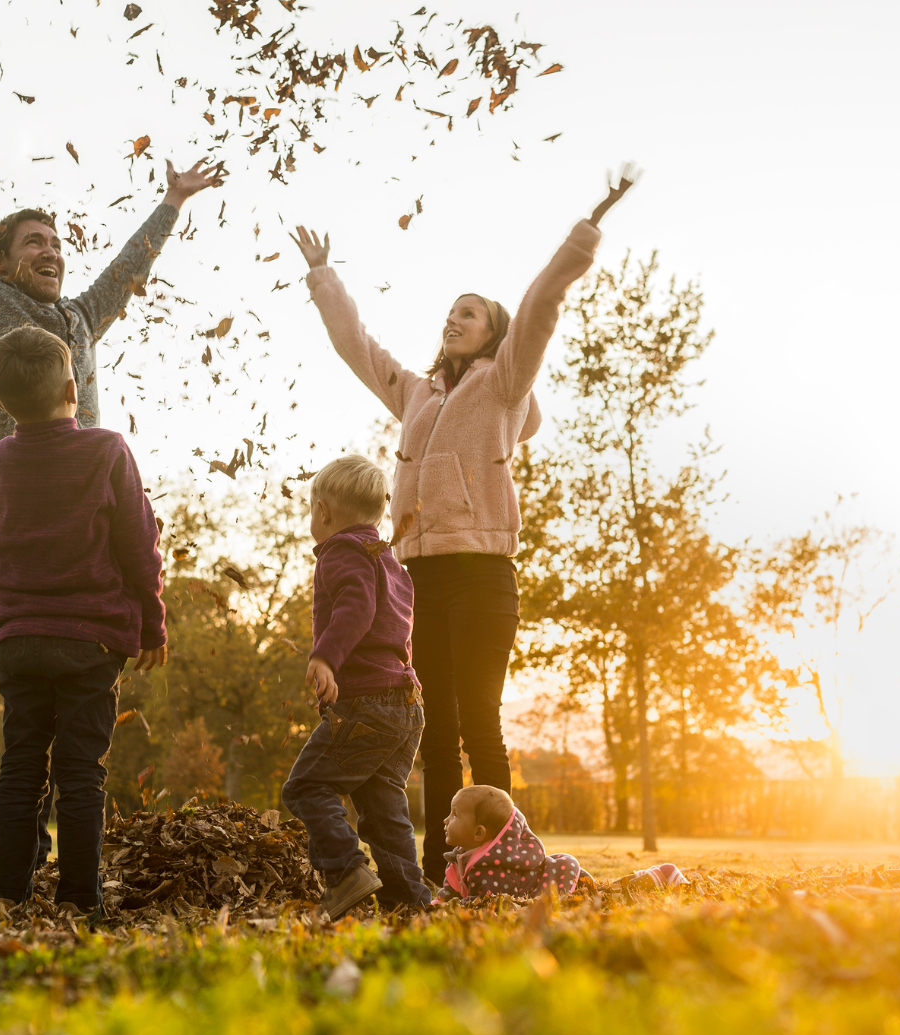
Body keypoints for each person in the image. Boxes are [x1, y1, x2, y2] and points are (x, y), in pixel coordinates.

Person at [0, 17, 222, 901]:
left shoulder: (78, 323)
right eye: (35, 243)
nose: (55, 253)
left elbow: (125, 275)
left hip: (84, 549)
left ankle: (35, 871)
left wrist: (172, 204)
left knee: (61, 720)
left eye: (59, 243)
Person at [290, 168, 638, 882]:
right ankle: (438, 870)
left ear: (495, 334)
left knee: (481, 720)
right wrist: (323, 276)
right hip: (418, 577)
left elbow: (542, 303)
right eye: (450, 312)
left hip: (482, 576)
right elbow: (358, 347)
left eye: (470, 314)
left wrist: (589, 226)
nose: (454, 320)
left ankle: (504, 861)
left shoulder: (506, 381)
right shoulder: (417, 393)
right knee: (435, 731)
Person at [0, 325, 168, 915]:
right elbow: (139, 545)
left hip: (20, 638)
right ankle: (80, 900)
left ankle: (7, 894)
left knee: (22, 765)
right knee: (81, 771)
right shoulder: (106, 450)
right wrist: (153, 623)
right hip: (89, 638)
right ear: (72, 388)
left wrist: (9, 619)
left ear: (0, 401)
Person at [279, 455, 432, 919]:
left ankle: (346, 871)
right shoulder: (391, 562)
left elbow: (356, 608)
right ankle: (408, 898)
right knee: (383, 804)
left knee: (306, 787)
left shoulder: (341, 552)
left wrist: (326, 656)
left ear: (323, 512)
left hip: (367, 703)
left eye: (311, 511)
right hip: (406, 703)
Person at [433, 785, 685, 901]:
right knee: (605, 892)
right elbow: (452, 889)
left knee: (607, 896)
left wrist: (454, 907)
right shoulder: (463, 856)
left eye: (454, 814)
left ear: (479, 833)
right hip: (554, 881)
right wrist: (439, 903)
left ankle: (661, 874)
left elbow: (485, 905)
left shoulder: (491, 870)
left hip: (564, 884)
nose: (446, 819)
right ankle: (654, 875)